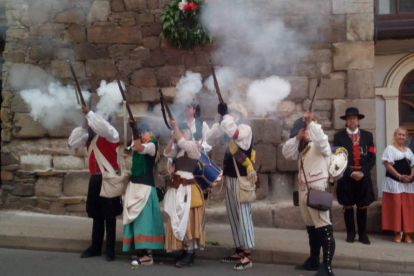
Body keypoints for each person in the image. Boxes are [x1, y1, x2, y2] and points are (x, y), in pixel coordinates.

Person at [282, 111, 336, 276]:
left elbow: (323, 142)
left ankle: (326, 268)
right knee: (311, 228)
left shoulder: (318, 144)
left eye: (301, 131)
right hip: (304, 190)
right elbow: (286, 152)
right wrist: (298, 137)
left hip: (317, 189)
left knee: (324, 228)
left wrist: (311, 124)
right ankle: (313, 260)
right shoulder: (301, 146)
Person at [68, 105, 122, 261]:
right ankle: (96, 247)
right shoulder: (89, 137)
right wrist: (85, 123)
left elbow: (103, 127)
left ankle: (110, 249)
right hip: (96, 179)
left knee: (110, 217)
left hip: (109, 179)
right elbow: (73, 142)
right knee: (96, 215)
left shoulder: (111, 134)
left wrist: (90, 114)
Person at [206, 102, 256, 271]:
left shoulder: (244, 129)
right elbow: (210, 140)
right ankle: (239, 248)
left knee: (244, 215)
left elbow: (234, 133)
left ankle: (247, 255)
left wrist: (225, 118)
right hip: (230, 178)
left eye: (234, 112)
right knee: (234, 215)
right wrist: (218, 121)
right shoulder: (226, 127)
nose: (231, 115)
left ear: (240, 115)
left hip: (242, 179)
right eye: (230, 112)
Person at [163, 119, 206, 268]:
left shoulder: (193, 146)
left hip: (187, 187)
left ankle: (190, 252)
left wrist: (175, 127)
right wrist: (172, 137)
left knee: (187, 219)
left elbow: (183, 143)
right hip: (178, 187)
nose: (182, 134)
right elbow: (166, 152)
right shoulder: (180, 150)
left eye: (184, 131)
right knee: (178, 217)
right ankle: (184, 250)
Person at [122, 122, 165, 266]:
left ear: (152, 134)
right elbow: (127, 149)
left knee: (146, 221)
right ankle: (141, 250)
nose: (141, 134)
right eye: (140, 132)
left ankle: (148, 255)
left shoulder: (152, 145)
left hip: (145, 188)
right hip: (135, 186)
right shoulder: (141, 144)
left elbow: (139, 148)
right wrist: (134, 134)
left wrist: (134, 131)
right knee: (138, 220)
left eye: (144, 132)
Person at [334, 107, 376, 245]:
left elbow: (372, 157)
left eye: (354, 118)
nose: (352, 120)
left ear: (358, 121)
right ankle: (350, 233)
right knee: (348, 206)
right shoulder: (338, 137)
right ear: (346, 121)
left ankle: (363, 235)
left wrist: (362, 172)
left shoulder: (368, 136)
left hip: (363, 176)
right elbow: (337, 158)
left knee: (362, 206)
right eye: (350, 118)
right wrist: (351, 173)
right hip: (346, 176)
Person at [381, 127, 414, 243]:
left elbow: (413, 165)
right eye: (399, 134)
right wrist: (399, 176)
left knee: (407, 208)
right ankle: (396, 233)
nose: (401, 137)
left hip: (408, 184)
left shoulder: (409, 151)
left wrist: (411, 176)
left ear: (406, 137)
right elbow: (388, 165)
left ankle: (407, 233)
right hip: (394, 183)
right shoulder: (390, 149)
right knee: (396, 207)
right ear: (395, 136)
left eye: (403, 135)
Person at [167, 99, 211, 176]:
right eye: (185, 106)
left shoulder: (202, 125)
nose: (186, 108)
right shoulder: (177, 126)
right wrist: (170, 166)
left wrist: (201, 146)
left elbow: (208, 143)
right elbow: (173, 148)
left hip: (198, 164)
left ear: (194, 110)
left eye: (189, 107)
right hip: (182, 164)